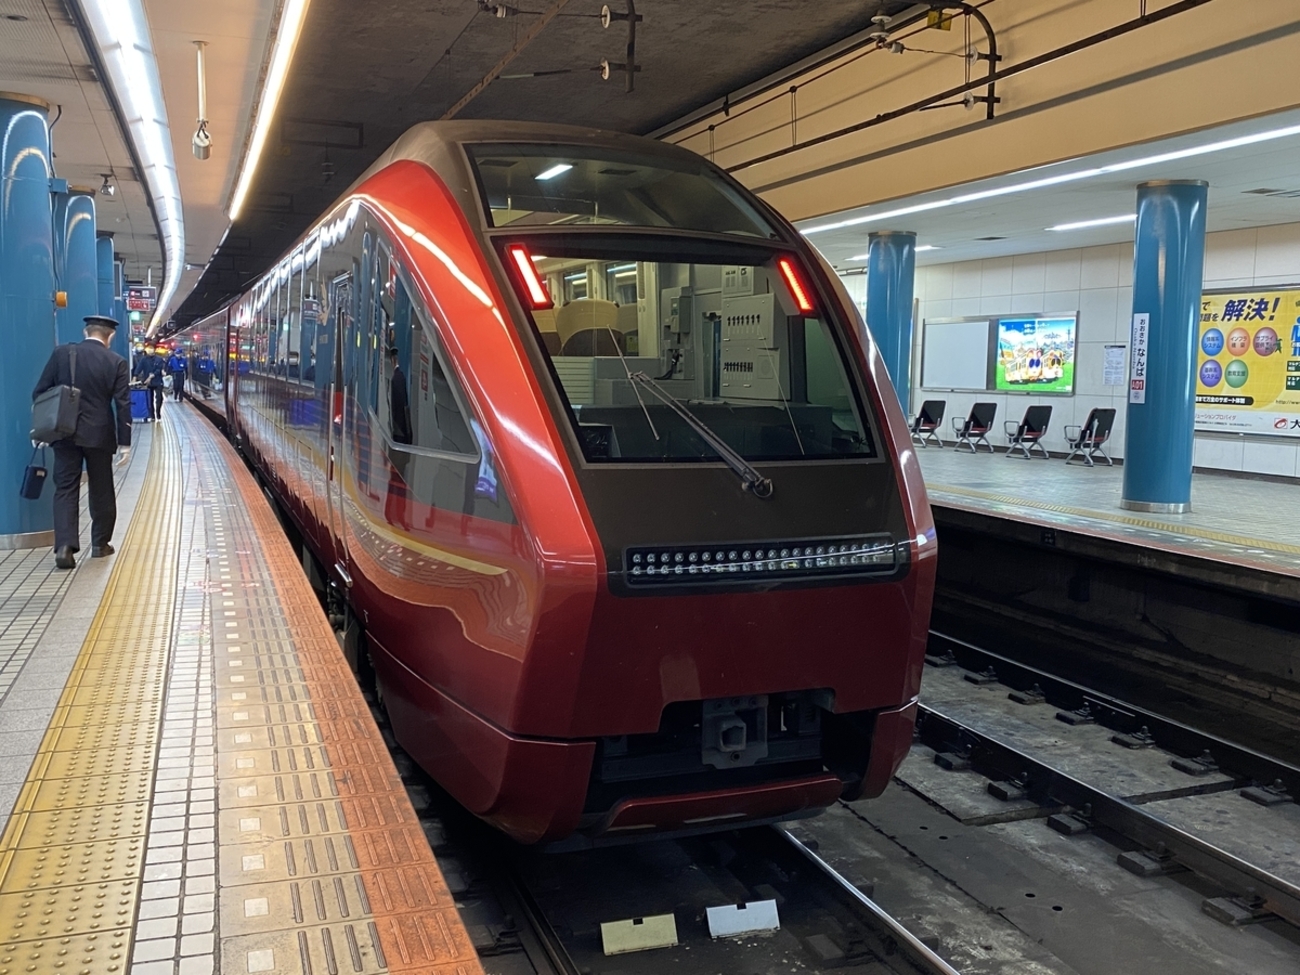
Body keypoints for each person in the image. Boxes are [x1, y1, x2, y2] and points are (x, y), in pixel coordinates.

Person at [32, 315, 132, 570]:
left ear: (85, 331)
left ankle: (64, 547)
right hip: (99, 434)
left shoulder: (62, 354)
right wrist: (125, 443)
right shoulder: (116, 362)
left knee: (65, 488)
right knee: (102, 488)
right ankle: (100, 544)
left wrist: (43, 429)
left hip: (64, 432)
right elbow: (123, 405)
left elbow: (40, 392)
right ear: (110, 336)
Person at [388, 346, 413, 445]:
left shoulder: (395, 379)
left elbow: (396, 405)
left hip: (399, 428)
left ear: (392, 361)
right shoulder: (401, 376)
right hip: (403, 426)